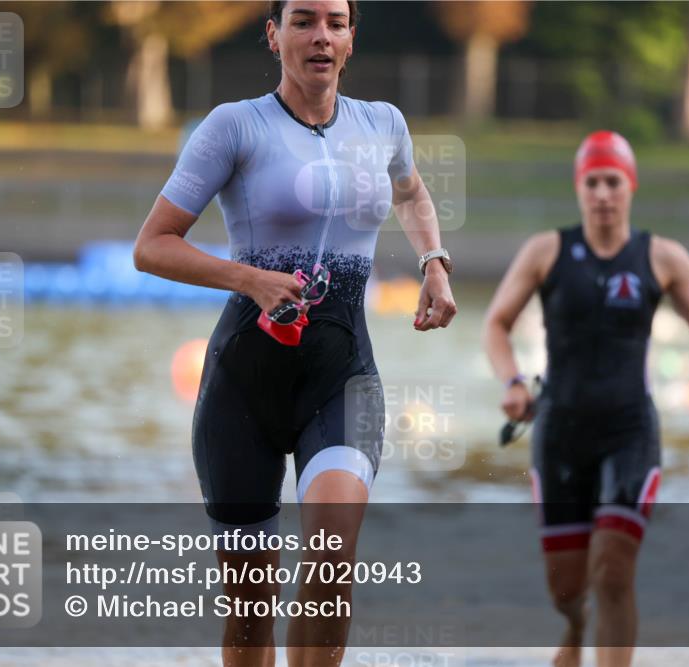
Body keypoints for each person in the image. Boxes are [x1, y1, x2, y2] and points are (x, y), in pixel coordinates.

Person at [133, 2, 456, 665]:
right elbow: (152, 246)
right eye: (304, 21)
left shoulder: (383, 124)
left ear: (351, 39)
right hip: (242, 388)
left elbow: (413, 194)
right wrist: (249, 279)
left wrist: (433, 261)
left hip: (343, 377)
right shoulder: (234, 127)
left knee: (333, 558)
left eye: (336, 23)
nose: (321, 36)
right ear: (274, 34)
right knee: (252, 611)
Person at [482, 130, 689, 667]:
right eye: (593, 183)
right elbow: (496, 323)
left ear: (630, 187)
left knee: (612, 568)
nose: (603, 194)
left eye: (613, 182)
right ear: (579, 188)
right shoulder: (546, 251)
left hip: (630, 433)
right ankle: (576, 629)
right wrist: (512, 382)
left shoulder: (662, 257)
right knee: (566, 587)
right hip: (559, 433)